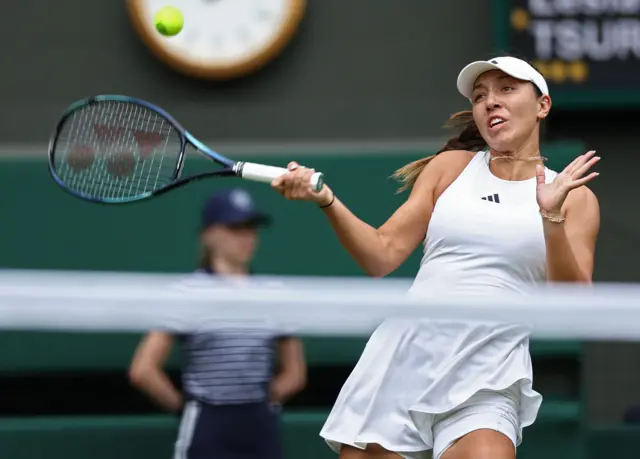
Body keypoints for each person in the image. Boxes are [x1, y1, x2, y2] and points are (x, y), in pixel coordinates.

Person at [271, 56, 600, 459]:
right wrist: (327, 200)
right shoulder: (450, 169)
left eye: (506, 89)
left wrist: (551, 215)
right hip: (404, 360)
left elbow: (576, 305)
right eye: (480, 96)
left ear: (542, 105)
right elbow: (381, 254)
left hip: (489, 374)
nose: (490, 102)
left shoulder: (576, 198)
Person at [128, 187, 307, 459]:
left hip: (261, 427)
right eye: (235, 228)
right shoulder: (185, 294)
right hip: (208, 428)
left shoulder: (275, 294)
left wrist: (264, 402)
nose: (246, 237)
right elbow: (143, 370)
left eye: (251, 228)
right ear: (209, 234)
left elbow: (295, 373)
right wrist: (188, 409)